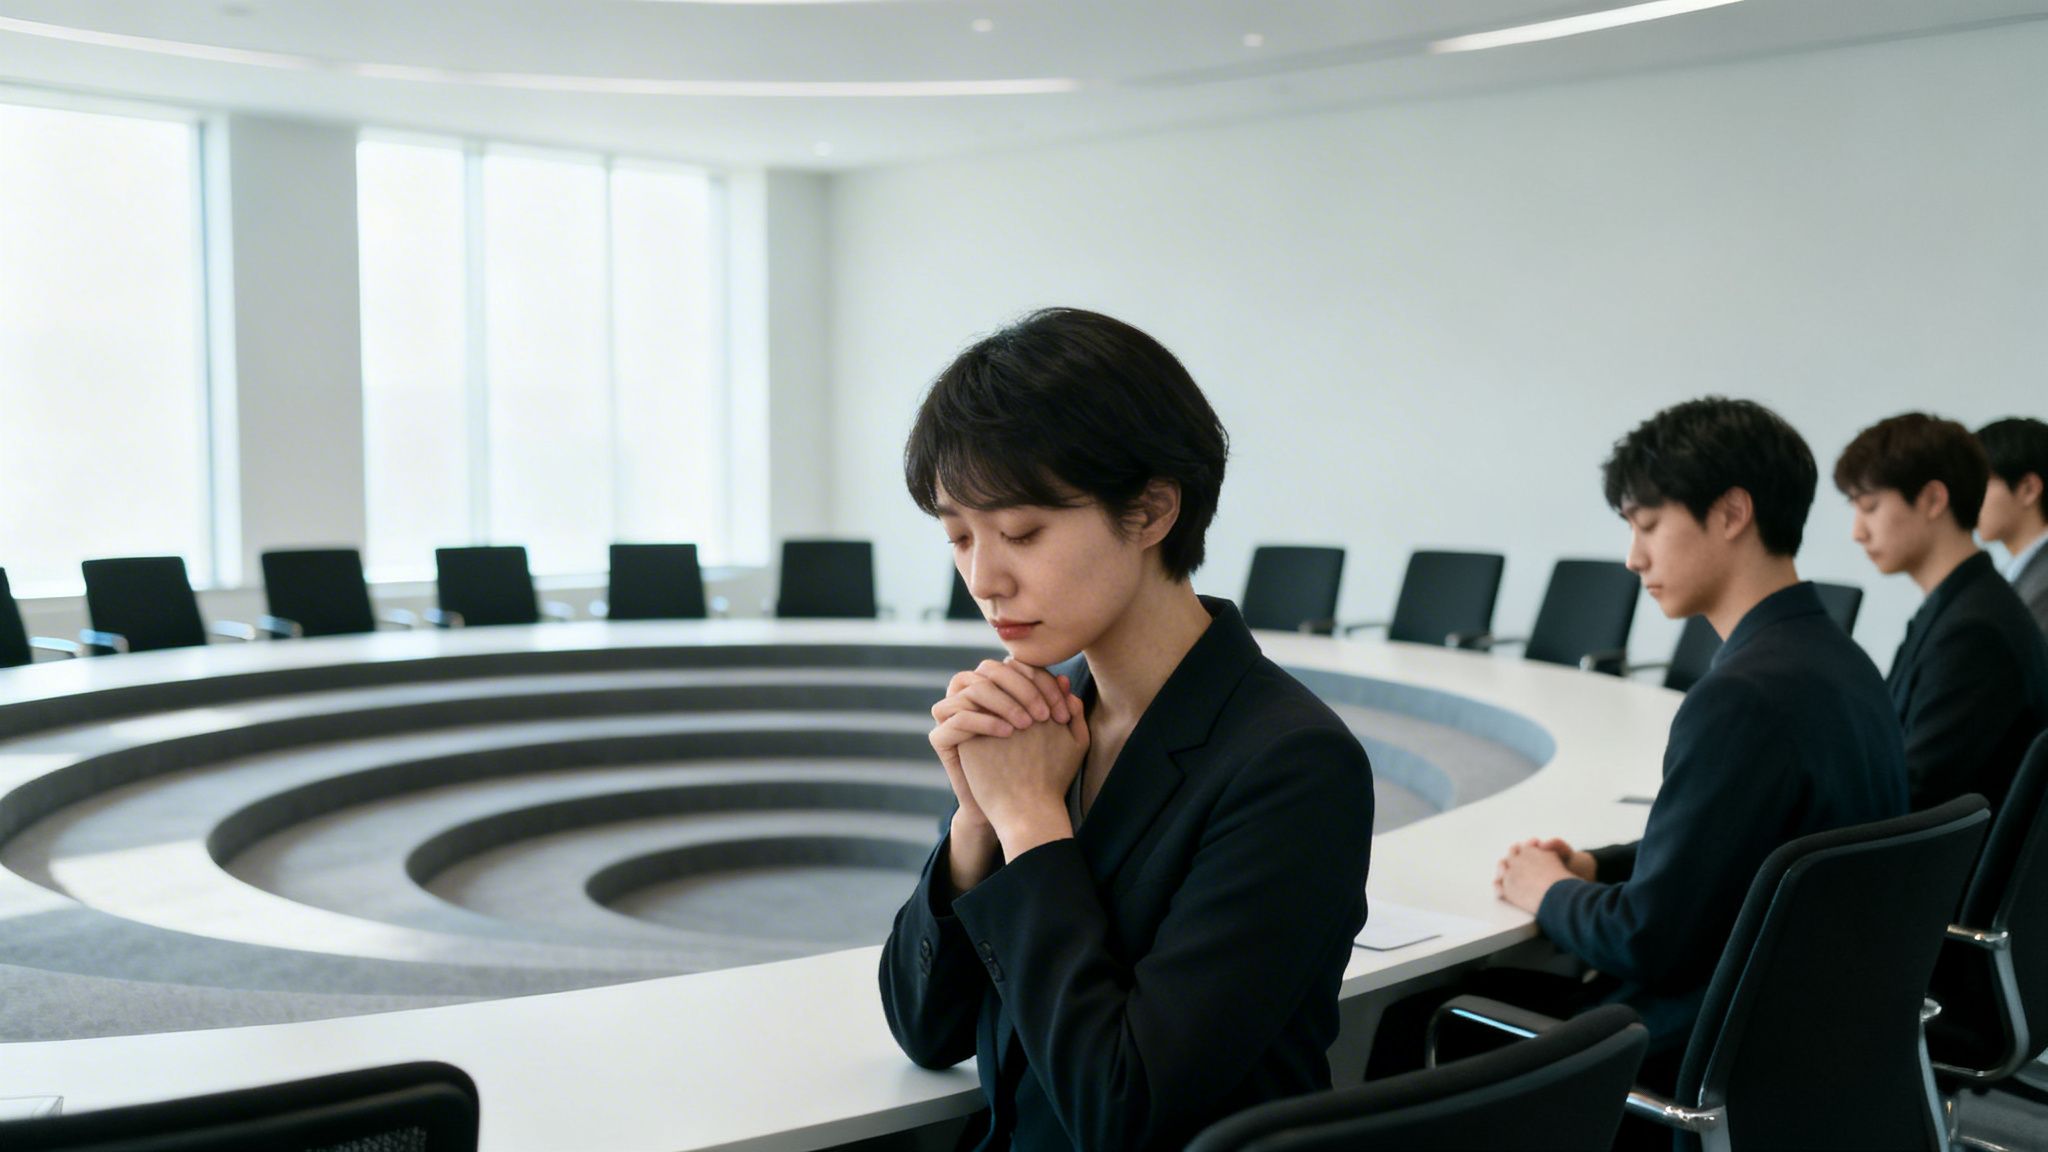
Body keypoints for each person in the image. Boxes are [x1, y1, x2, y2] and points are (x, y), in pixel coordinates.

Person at [877, 308, 1374, 1151]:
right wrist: (976, 824)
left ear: (1149, 513)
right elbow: (927, 1030)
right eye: (958, 536)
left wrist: (1031, 821)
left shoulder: (1294, 765)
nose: (983, 577)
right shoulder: (1041, 717)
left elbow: (1126, 1111)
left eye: (1021, 532)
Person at [1494, 397, 1907, 1071]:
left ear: (1731, 513)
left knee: (1418, 1025)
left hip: (1692, 1051)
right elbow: (1739, 843)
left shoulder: (1739, 699)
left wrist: (1547, 890)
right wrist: (1600, 867)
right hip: (1808, 1046)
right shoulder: (1838, 659)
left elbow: (1647, 942)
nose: (1633, 558)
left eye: (1649, 525)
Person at [1836, 412, 2048, 812]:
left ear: (1933, 499)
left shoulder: (1974, 630)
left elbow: (1912, 794)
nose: (1857, 532)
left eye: (1870, 507)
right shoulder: (1960, 603)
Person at [1975, 417, 2048, 637]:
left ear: (2028, 489)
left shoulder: (2042, 584)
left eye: (1980, 484)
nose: (1969, 498)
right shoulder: (2018, 575)